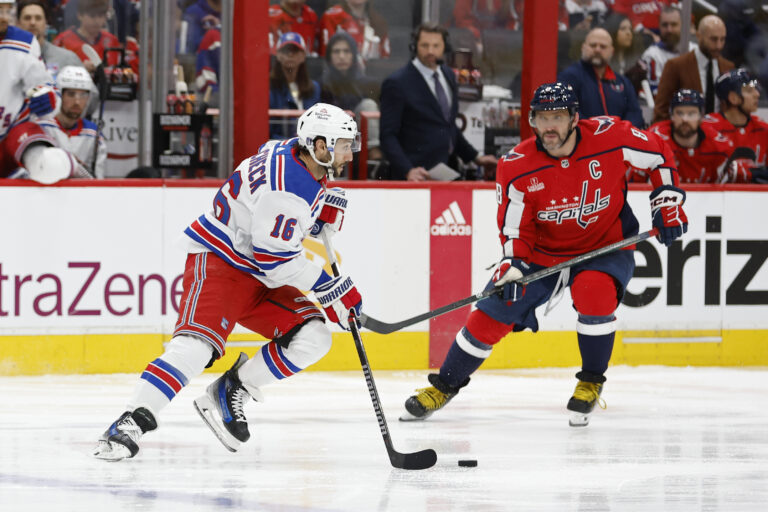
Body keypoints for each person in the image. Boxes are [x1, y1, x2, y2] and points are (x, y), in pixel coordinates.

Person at [400, 82, 688, 427]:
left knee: (594, 294)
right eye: (541, 117)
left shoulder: (611, 136)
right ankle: (444, 386)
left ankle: (590, 382)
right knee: (488, 316)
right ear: (532, 121)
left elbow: (658, 154)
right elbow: (516, 229)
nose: (549, 126)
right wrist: (513, 266)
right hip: (541, 255)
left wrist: (667, 201)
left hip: (603, 247)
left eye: (557, 116)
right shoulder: (516, 165)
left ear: (575, 118)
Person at [93, 103, 365, 461]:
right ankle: (130, 422)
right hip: (222, 262)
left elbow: (268, 225)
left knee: (313, 337)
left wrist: (313, 216)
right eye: (343, 144)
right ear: (317, 144)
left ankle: (232, 389)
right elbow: (275, 260)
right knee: (195, 347)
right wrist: (329, 286)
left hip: (257, 268)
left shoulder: (289, 152)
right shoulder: (288, 188)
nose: (350, 152)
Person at [380, 23, 497, 181]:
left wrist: (476, 157)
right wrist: (407, 170)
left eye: (436, 45)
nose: (430, 51)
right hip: (413, 178)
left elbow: (448, 127)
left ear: (444, 47)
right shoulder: (397, 83)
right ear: (415, 47)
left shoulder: (448, 76)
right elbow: (388, 136)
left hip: (445, 173)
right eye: (425, 45)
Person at [0, 10, 79, 184]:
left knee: (48, 164)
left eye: (7, 9)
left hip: (11, 134)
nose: (4, 17)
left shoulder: (23, 41)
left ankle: (53, 162)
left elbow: (42, 85)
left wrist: (47, 97)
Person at [633, 89, 740, 183]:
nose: (685, 119)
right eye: (679, 113)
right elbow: (635, 184)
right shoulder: (653, 140)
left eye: (691, 114)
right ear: (672, 116)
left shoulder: (719, 145)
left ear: (701, 117)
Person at [558, 27, 645, 127]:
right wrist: (597, 132)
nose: (597, 50)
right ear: (583, 47)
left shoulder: (623, 82)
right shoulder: (568, 77)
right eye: (593, 45)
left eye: (603, 46)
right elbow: (567, 112)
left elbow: (635, 114)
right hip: (585, 139)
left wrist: (622, 132)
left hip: (619, 140)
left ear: (612, 51)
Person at [653, 15, 734, 122]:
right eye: (713, 39)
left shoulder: (728, 67)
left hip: (720, 135)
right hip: (685, 134)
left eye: (722, 39)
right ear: (699, 36)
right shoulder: (676, 66)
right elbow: (661, 111)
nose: (719, 45)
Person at [36, 66, 107, 178]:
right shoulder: (42, 128)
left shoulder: (94, 134)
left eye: (83, 95)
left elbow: (98, 180)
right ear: (59, 95)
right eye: (71, 94)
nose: (77, 101)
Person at [320, 31, 381, 159]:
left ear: (353, 55)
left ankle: (373, 158)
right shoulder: (321, 84)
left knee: (368, 105)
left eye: (346, 51)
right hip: (330, 142)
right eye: (336, 52)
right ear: (329, 56)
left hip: (359, 141)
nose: (341, 56)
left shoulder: (368, 83)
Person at [703, 68, 768, 181]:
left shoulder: (763, 128)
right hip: (714, 195)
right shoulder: (707, 128)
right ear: (733, 98)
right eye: (749, 90)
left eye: (755, 89)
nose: (757, 94)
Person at [269, 32, 321, 139]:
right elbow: (268, 128)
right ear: (278, 55)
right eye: (286, 50)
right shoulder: (268, 87)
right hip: (277, 145)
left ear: (303, 56)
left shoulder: (314, 88)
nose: (290, 54)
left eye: (295, 50)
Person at [17, 0, 84, 79]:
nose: (32, 22)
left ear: (46, 23)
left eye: (38, 18)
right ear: (18, 23)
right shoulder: (5, 58)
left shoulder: (67, 59)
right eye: (27, 18)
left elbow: (90, 91)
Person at [637, 6, 693, 98]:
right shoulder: (651, 55)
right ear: (659, 26)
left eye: (674, 24)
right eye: (665, 25)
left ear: (683, 25)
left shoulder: (694, 50)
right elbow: (654, 92)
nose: (669, 30)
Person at [53, 0, 121, 72]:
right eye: (92, 16)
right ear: (80, 15)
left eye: (100, 16)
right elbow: (52, 68)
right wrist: (79, 68)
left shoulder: (111, 41)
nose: (97, 21)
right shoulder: (63, 40)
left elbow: (119, 70)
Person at [319, 0, 389, 62]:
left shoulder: (379, 22)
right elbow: (326, 58)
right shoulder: (332, 17)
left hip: (371, 73)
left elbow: (384, 58)